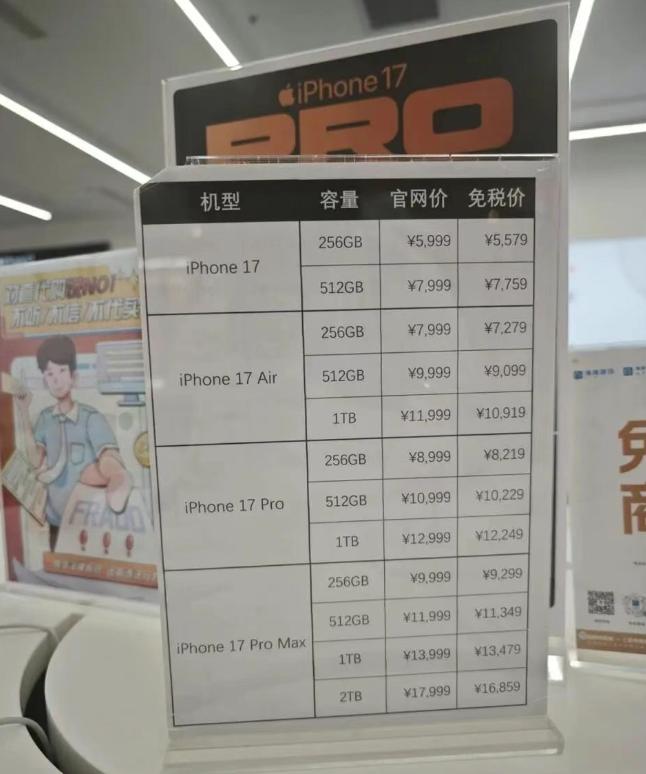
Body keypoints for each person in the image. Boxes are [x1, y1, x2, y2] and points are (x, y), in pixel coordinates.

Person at [15, 335, 132, 552]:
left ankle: (119, 478)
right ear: (44, 380)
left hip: (88, 521)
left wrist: (115, 471)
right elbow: (34, 459)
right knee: (58, 566)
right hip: (56, 520)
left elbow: (107, 451)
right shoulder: (44, 419)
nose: (56, 380)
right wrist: (23, 411)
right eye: (50, 374)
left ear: (73, 377)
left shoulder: (91, 417)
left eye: (62, 371)